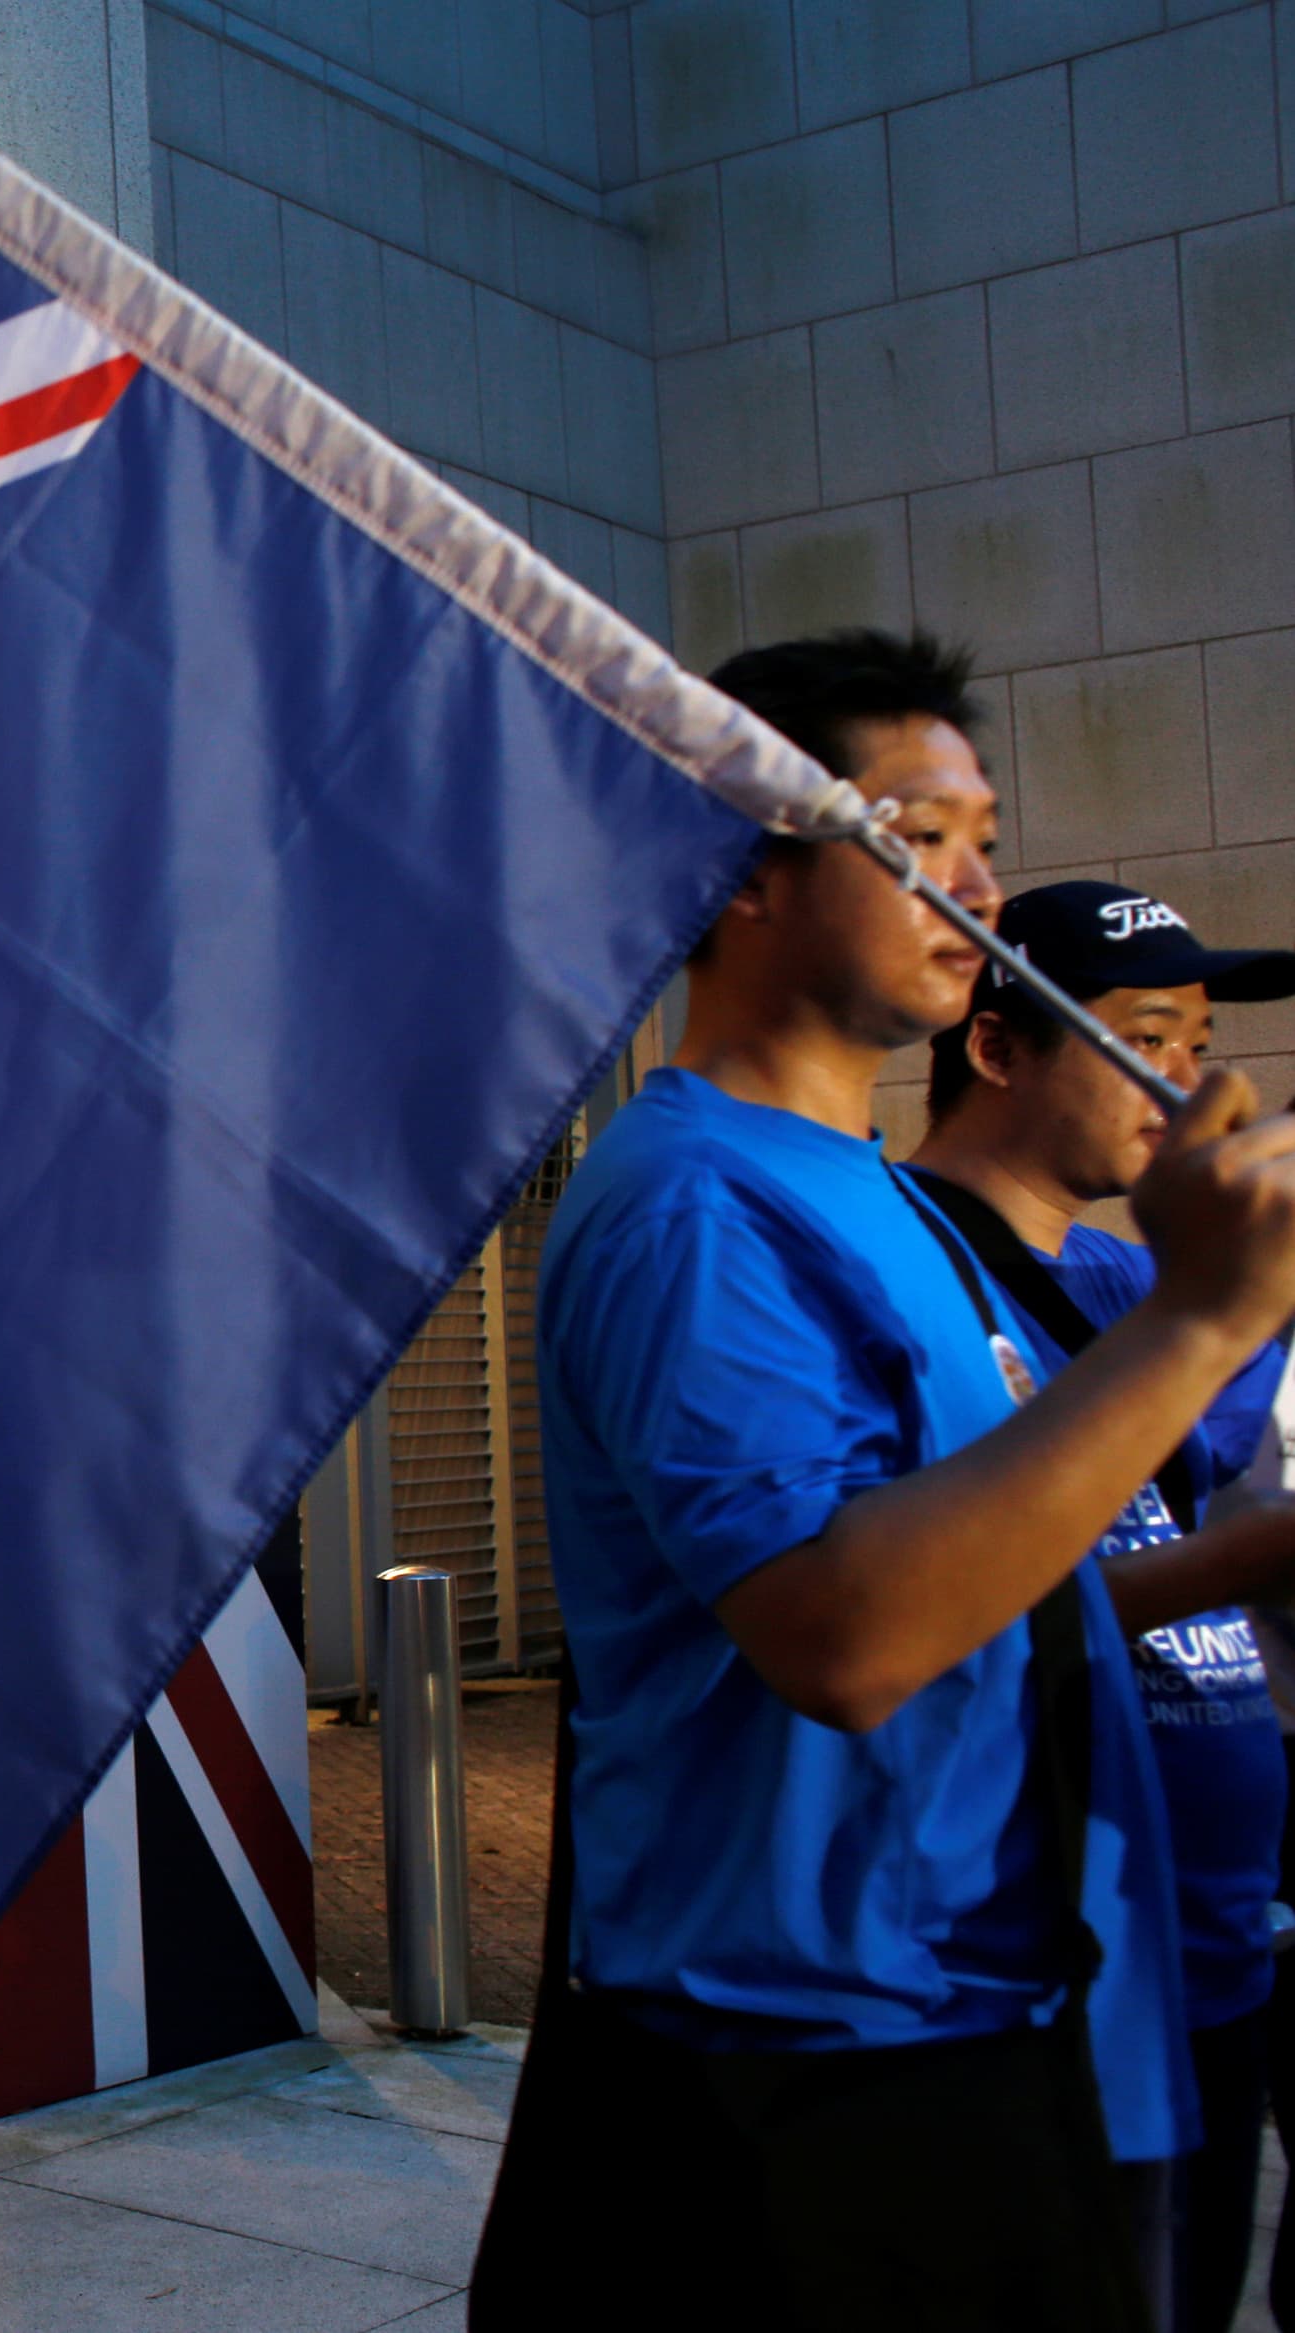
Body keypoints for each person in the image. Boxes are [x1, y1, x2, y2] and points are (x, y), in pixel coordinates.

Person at [467, 630, 1295, 2332]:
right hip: (812, 2062)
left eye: (983, 834)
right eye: (917, 836)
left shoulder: (883, 1201)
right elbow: (841, 1635)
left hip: (990, 2008)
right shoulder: (692, 1202)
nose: (980, 887)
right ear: (737, 861)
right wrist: (1207, 1321)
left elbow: (1005, 1587)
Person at [904, 881, 1295, 2332]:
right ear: (998, 1047)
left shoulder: (1137, 1271)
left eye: (1201, 1043)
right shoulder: (904, 1267)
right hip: (1050, 1974)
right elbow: (948, 1599)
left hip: (1221, 1942)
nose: (1188, 1088)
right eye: (1148, 1039)